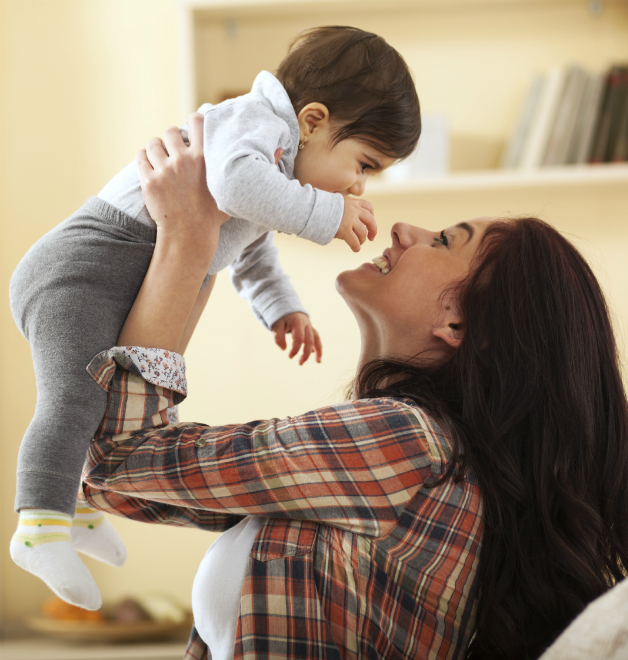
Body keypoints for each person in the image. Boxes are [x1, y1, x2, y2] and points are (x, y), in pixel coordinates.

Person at [80, 116, 628, 660]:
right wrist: (200, 246)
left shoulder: (409, 444)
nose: (406, 229)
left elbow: (115, 463)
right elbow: (127, 487)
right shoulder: (416, 457)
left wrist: (185, 243)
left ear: (457, 323)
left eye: (445, 241)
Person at [9, 25, 421, 610]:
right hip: (80, 267)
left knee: (96, 400)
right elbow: (233, 184)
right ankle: (39, 524)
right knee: (73, 398)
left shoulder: (270, 171)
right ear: (312, 121)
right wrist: (327, 212)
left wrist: (283, 309)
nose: (358, 185)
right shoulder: (253, 125)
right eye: (364, 164)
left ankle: (71, 507)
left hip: (110, 274)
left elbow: (250, 252)